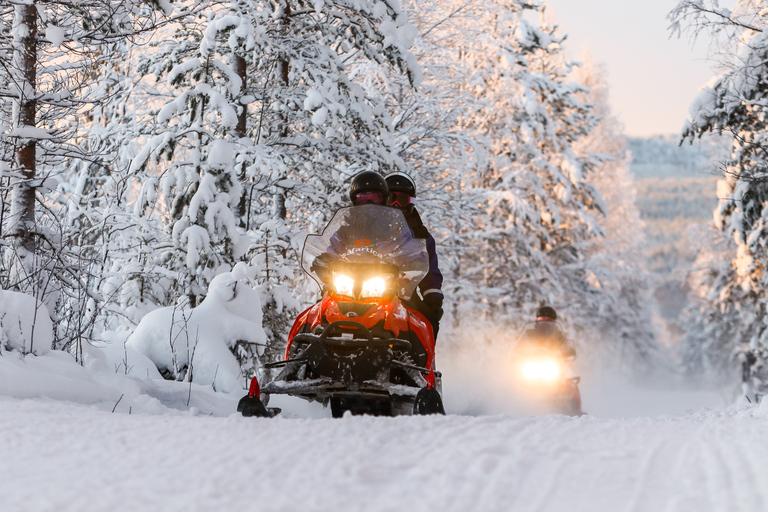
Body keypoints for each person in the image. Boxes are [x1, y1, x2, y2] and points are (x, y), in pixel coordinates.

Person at [384, 172, 444, 339]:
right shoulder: (367, 226)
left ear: (410, 202)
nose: (395, 205)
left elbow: (431, 271)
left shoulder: (421, 236)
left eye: (401, 200)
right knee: (322, 310)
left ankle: (422, 363)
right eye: (391, 199)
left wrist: (433, 297)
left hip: (403, 293)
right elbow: (344, 246)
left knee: (428, 321)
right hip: (360, 287)